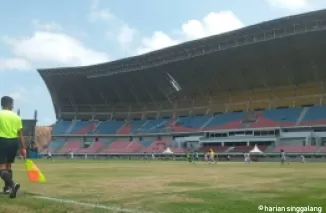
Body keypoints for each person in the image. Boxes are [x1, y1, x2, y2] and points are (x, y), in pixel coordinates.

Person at [0, 96, 26, 198]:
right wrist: (23, 148)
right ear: (10, 104)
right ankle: (7, 189)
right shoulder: (17, 117)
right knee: (8, 166)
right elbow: (20, 134)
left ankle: (12, 184)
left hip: (2, 140)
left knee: (1, 168)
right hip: (13, 142)